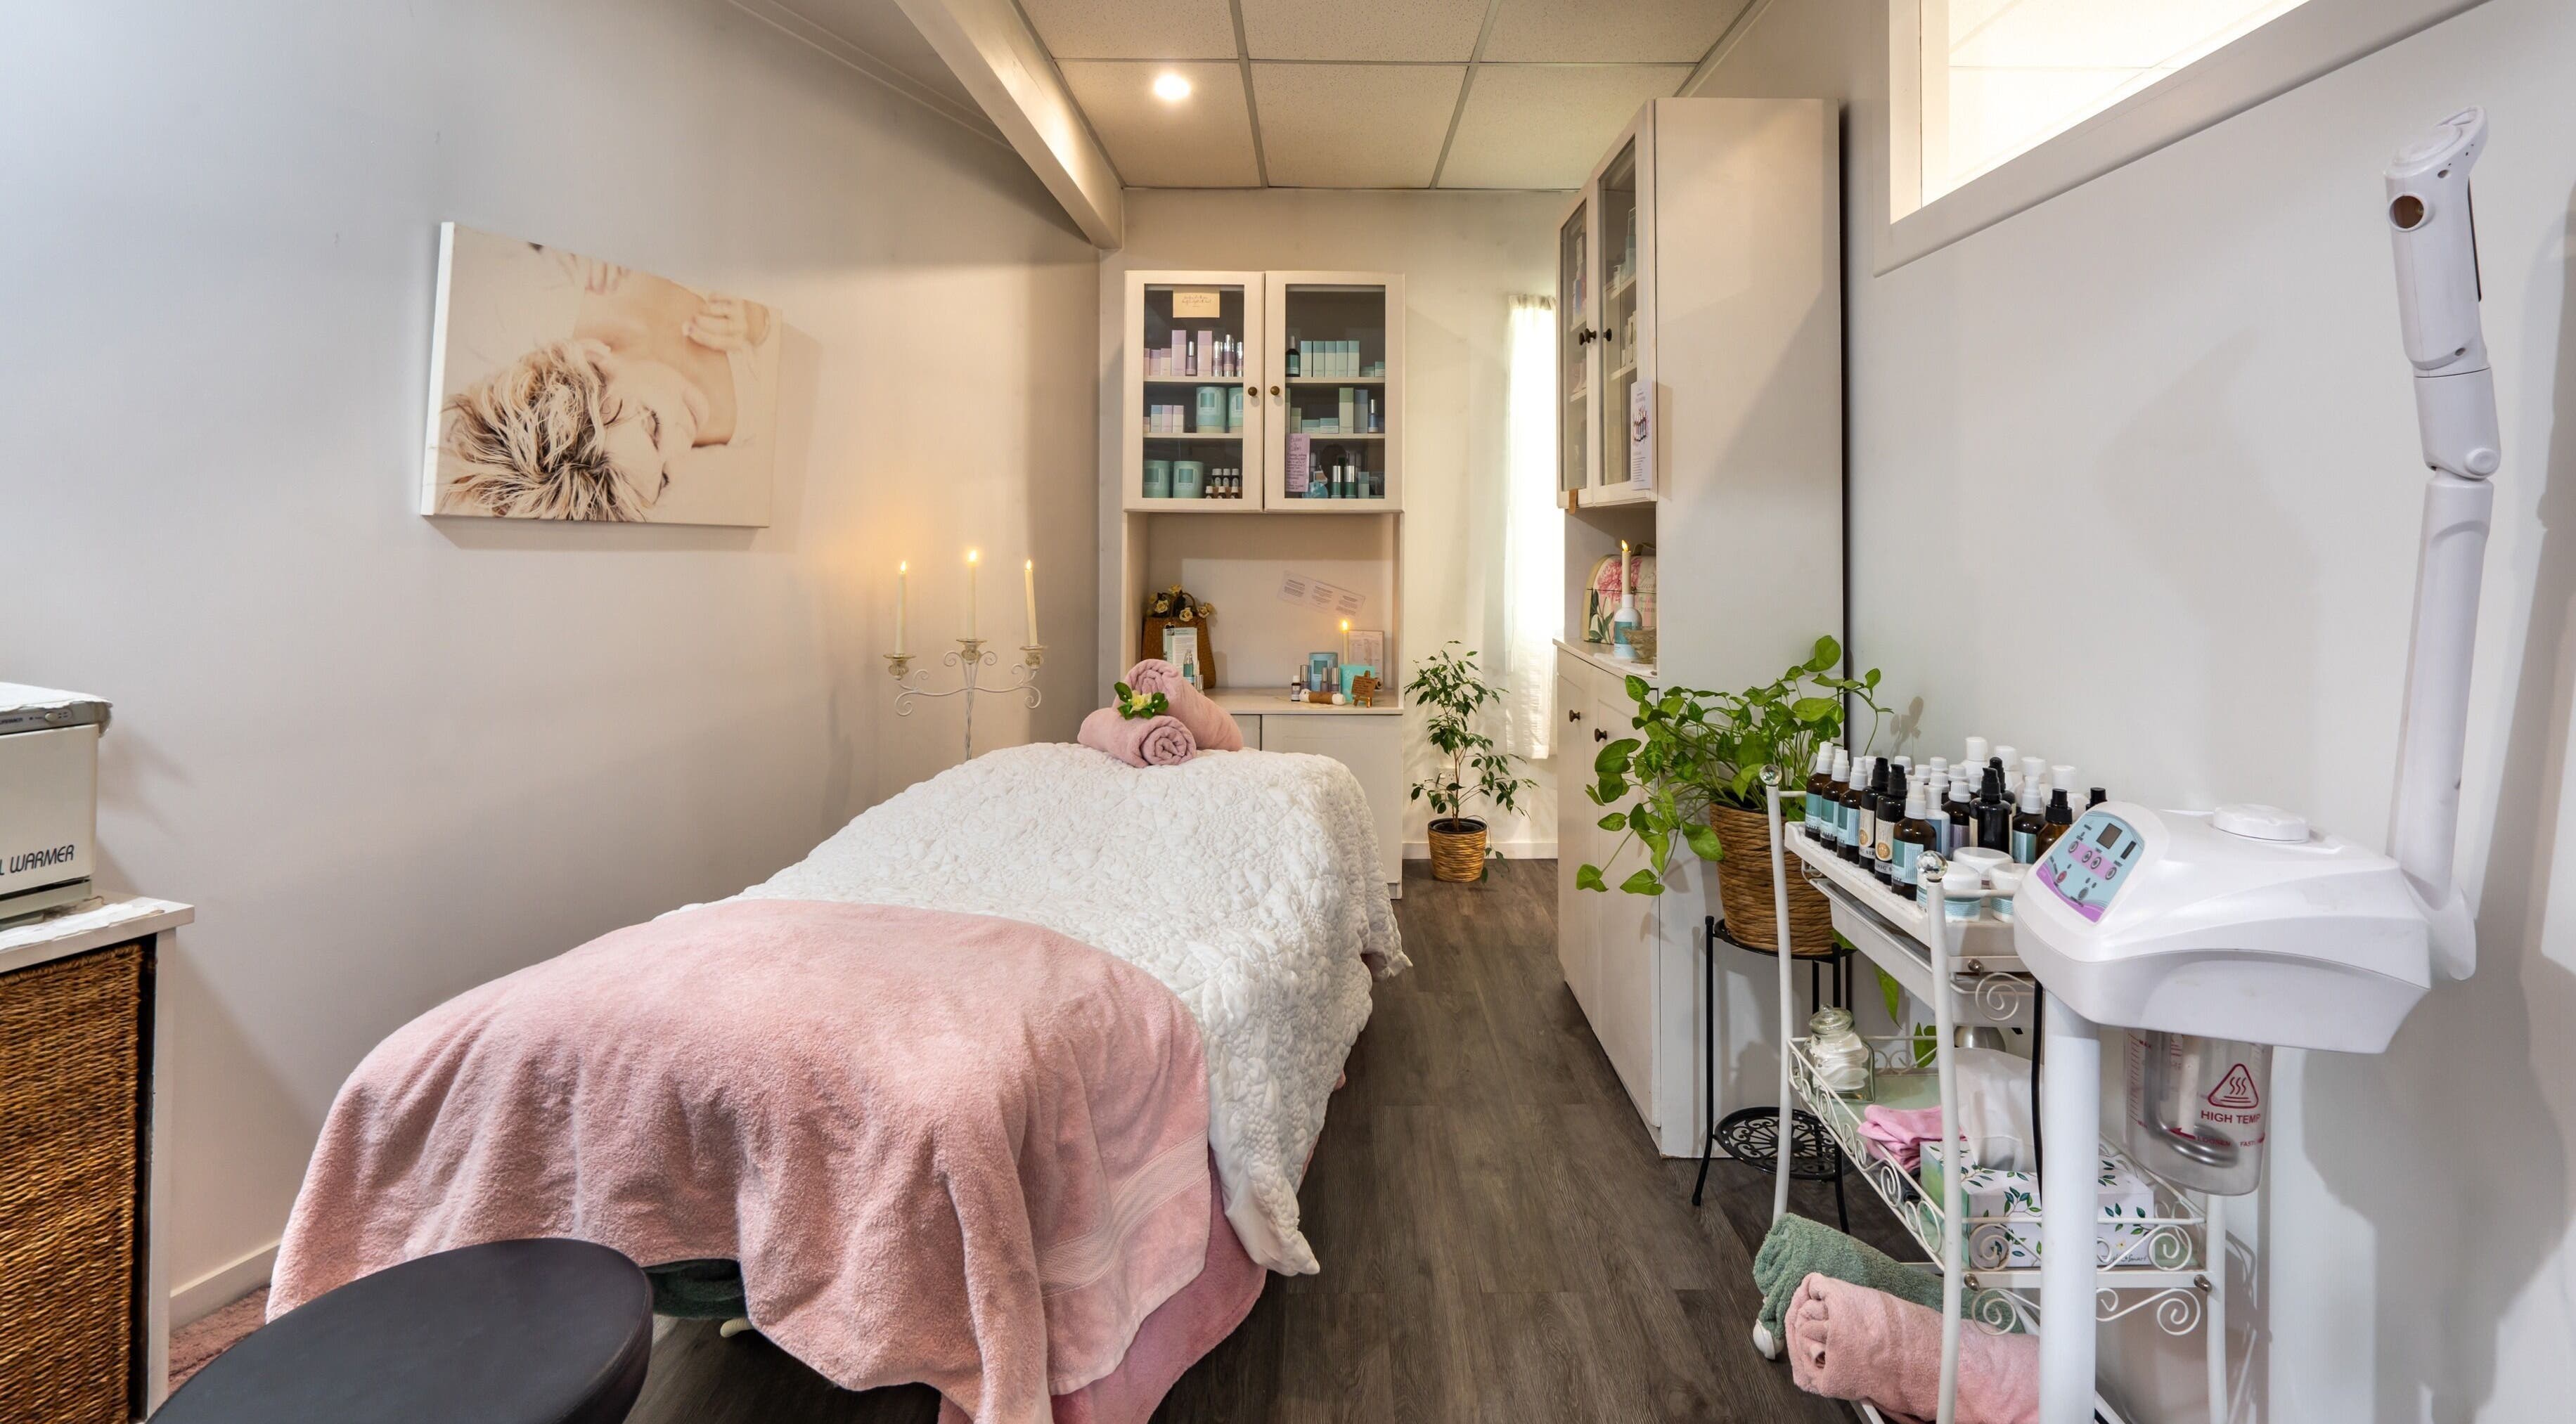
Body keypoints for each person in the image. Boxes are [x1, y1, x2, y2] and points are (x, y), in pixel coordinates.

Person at [439, 247, 775, 521]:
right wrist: (761, 324)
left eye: (651, 423)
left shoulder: (561, 287)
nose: (681, 449)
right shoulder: (744, 427)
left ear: (593, 359)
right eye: (664, 478)